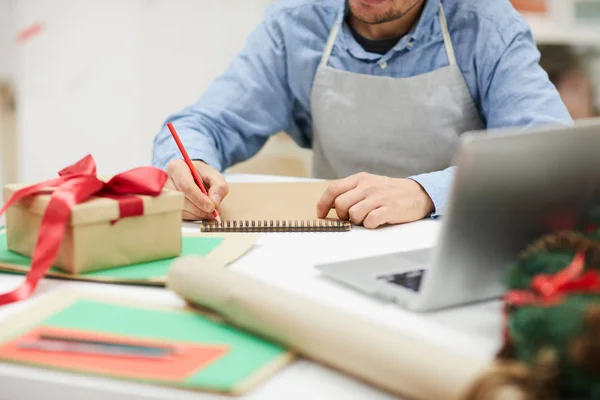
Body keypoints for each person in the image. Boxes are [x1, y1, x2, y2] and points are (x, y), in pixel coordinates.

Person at [152, 0, 572, 229]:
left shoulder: (486, 25)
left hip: (459, 243)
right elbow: (203, 124)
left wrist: (426, 193)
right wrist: (192, 167)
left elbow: (549, 159)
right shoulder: (293, 23)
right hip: (335, 241)